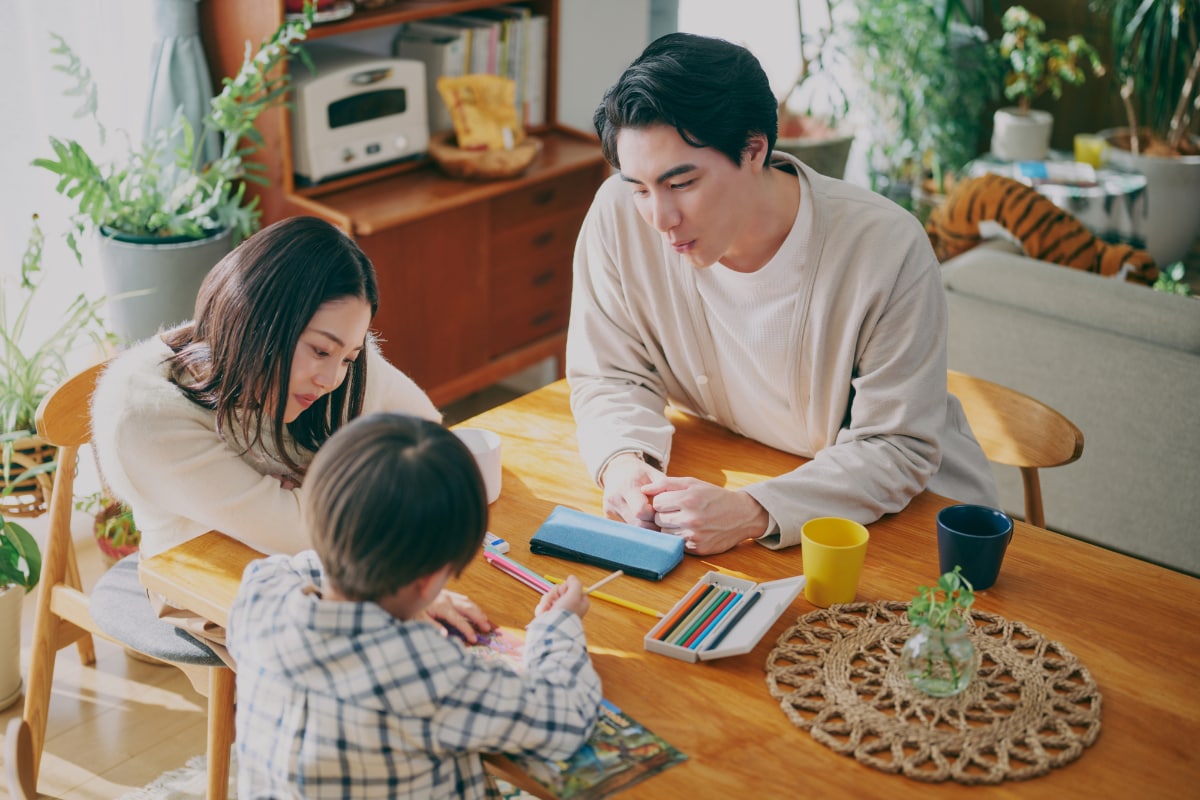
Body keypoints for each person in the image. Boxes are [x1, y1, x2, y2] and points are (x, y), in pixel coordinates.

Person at [566, 32, 999, 556]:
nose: (660, 218)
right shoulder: (617, 217)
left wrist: (753, 510)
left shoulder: (884, 247)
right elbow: (610, 373)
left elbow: (897, 446)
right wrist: (622, 461)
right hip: (748, 478)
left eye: (681, 183)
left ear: (754, 150)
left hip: (909, 521)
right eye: (639, 187)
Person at [91, 215, 489, 638]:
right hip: (208, 580)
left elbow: (428, 440)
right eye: (320, 350)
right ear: (258, 321)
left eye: (349, 356)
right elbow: (300, 534)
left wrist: (304, 491)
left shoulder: (333, 355)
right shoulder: (146, 413)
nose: (332, 378)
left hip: (338, 561)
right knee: (403, 648)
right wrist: (396, 588)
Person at [227, 412, 603, 799]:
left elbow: (303, 566)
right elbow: (564, 717)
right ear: (427, 581)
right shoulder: (420, 668)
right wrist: (558, 624)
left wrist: (397, 586)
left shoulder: (261, 592)